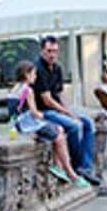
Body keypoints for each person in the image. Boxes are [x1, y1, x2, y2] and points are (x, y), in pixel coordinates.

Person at [6, 61, 87, 188]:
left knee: (58, 129)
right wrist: (43, 116)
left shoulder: (13, 89)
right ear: (27, 75)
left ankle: (58, 166)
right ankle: (70, 173)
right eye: (33, 74)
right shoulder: (28, 90)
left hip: (17, 124)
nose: (35, 77)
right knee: (59, 135)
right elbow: (34, 113)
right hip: (29, 124)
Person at [34, 36, 100, 187]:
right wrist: (68, 114)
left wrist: (69, 110)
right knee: (74, 126)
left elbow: (60, 94)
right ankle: (76, 166)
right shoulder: (38, 69)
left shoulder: (57, 68)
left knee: (87, 122)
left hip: (57, 109)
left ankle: (86, 167)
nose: (52, 55)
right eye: (49, 51)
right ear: (42, 51)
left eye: (55, 51)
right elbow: (47, 100)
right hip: (44, 112)